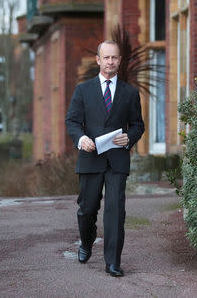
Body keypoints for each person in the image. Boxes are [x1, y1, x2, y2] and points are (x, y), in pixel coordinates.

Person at [65, 40, 145, 277]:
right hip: (90, 159)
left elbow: (138, 125)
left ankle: (112, 262)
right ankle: (86, 242)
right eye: (106, 58)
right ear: (98, 60)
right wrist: (81, 139)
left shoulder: (130, 93)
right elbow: (72, 122)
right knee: (87, 209)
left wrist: (129, 138)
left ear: (120, 61)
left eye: (114, 58)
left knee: (115, 211)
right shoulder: (83, 90)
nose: (110, 62)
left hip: (117, 161)